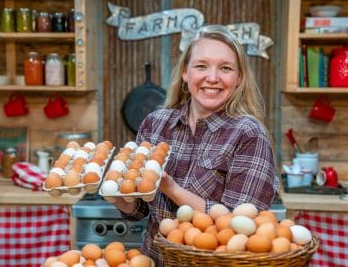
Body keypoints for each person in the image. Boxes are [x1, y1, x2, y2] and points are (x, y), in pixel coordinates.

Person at [113, 24, 279, 266]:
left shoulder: (248, 135)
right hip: (155, 260)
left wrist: (172, 189)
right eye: (201, 66)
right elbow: (138, 210)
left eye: (225, 68)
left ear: (239, 78)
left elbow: (240, 226)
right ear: (185, 72)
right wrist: (116, 193)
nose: (212, 78)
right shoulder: (155, 125)